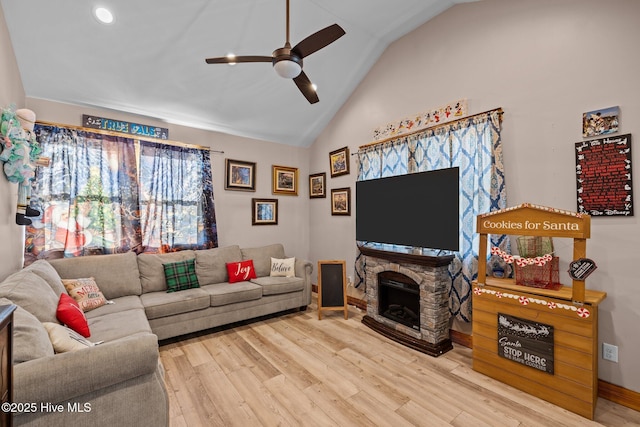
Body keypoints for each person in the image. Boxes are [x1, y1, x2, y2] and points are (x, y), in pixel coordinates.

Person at [0, 105, 48, 225]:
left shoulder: (26, 143)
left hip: (24, 166)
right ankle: (20, 214)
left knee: (28, 184)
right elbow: (6, 155)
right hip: (16, 167)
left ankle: (26, 207)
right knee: (25, 184)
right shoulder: (17, 142)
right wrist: (8, 146)